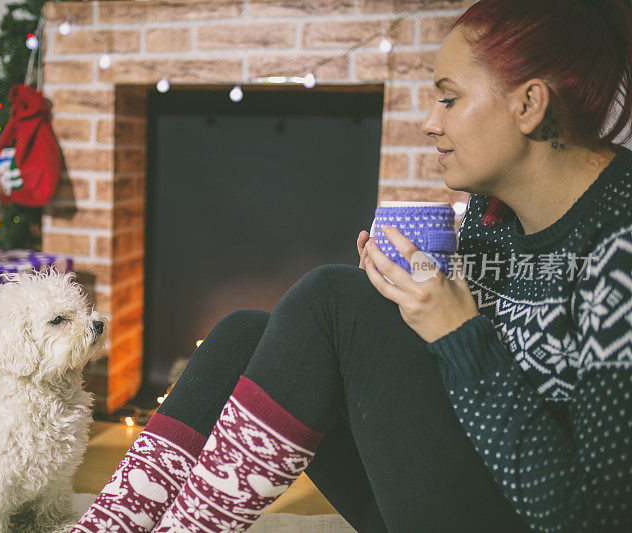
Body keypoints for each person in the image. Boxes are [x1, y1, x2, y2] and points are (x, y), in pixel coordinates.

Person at [72, 0, 632, 531]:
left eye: (449, 99)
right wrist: (399, 312)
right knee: (247, 331)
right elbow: (450, 393)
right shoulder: (495, 214)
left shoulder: (619, 249)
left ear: (528, 105)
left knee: (333, 299)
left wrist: (458, 333)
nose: (430, 124)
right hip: (453, 484)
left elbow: (591, 518)